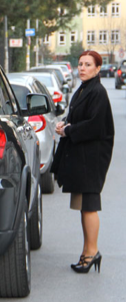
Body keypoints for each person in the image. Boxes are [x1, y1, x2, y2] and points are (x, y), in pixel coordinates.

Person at [51, 50, 114, 273]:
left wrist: (69, 130)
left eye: (88, 65)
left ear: (98, 69)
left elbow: (94, 126)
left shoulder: (97, 92)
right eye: (80, 64)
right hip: (82, 157)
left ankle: (93, 251)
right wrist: (64, 125)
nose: (83, 68)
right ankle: (87, 251)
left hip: (92, 158)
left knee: (89, 206)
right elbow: (77, 119)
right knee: (83, 207)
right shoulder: (84, 89)